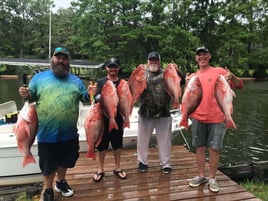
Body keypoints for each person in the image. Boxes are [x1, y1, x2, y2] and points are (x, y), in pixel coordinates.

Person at [19, 47, 90, 201]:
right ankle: (48, 189)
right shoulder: (39, 78)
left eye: (64, 58)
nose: (61, 61)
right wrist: (25, 94)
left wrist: (91, 91)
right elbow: (30, 99)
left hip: (69, 132)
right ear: (52, 59)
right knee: (48, 164)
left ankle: (61, 182)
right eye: (58, 57)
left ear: (68, 61)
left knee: (65, 160)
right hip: (46, 133)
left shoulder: (76, 81)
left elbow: (86, 98)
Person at [187, 47, 244, 192]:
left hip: (218, 118)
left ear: (209, 56)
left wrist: (233, 77)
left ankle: (212, 178)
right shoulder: (194, 76)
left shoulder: (220, 72)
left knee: (214, 150)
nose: (202, 57)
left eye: (204, 54)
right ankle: (201, 176)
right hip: (198, 118)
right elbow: (189, 98)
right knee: (199, 148)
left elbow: (240, 85)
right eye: (199, 55)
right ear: (196, 59)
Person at [137, 51, 182, 174]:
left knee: (165, 141)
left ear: (159, 61)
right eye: (151, 60)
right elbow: (133, 86)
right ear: (147, 61)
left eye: (156, 60)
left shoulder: (167, 73)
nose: (153, 62)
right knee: (142, 140)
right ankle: (142, 162)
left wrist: (177, 71)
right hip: (145, 113)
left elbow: (181, 81)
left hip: (164, 112)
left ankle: (166, 164)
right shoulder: (141, 74)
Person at [91, 57, 127, 182]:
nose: (113, 69)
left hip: (118, 118)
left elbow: (128, 98)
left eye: (115, 66)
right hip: (103, 118)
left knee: (117, 144)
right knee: (102, 145)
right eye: (110, 66)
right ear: (106, 68)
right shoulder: (101, 82)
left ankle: (118, 168)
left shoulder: (123, 82)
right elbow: (96, 97)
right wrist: (100, 96)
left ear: (118, 68)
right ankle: (100, 169)